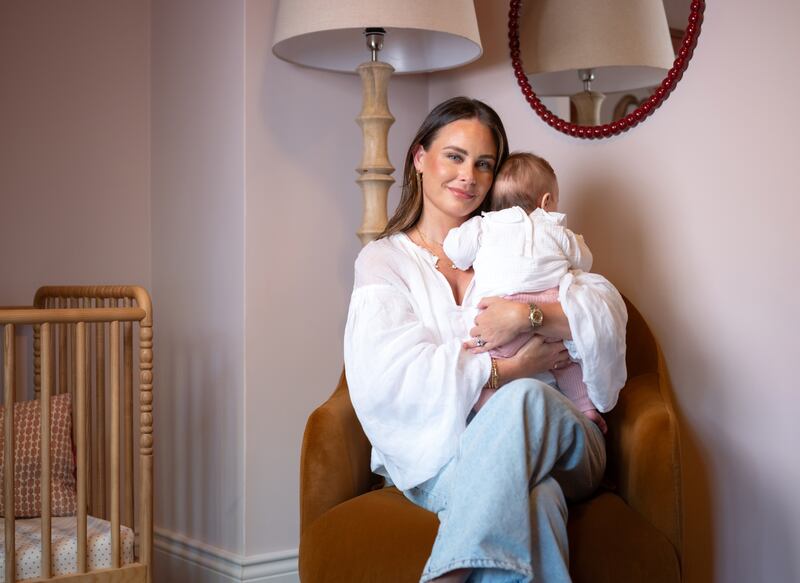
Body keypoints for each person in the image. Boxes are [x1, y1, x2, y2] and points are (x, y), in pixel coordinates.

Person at [344, 97, 625, 582]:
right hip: (440, 453)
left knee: (525, 398)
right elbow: (390, 379)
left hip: (561, 437)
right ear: (419, 158)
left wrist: (527, 315)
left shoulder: (520, 245)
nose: (468, 176)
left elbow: (606, 313)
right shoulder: (384, 262)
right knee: (539, 498)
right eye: (454, 156)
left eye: (484, 164)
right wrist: (510, 368)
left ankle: (445, 575)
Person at [443, 152, 627, 434]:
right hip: (550, 310)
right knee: (568, 363)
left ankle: (488, 413)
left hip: (497, 315)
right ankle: (586, 408)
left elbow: (456, 251)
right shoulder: (554, 228)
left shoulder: (483, 225)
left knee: (486, 364)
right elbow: (584, 262)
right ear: (546, 201)